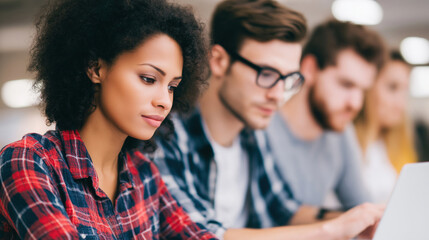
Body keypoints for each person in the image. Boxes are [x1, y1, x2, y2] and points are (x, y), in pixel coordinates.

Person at [145, 1, 384, 239]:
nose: (278, 95)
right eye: (267, 74)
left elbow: (285, 210)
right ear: (219, 61)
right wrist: (332, 230)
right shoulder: (165, 136)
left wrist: (365, 218)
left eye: (288, 78)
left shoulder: (252, 134)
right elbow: (203, 235)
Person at [0, 0, 217, 239]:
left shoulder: (144, 173)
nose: (165, 101)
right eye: (148, 78)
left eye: (173, 87)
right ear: (95, 68)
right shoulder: (28, 162)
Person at [265, 19, 387, 211]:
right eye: (346, 84)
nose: (356, 104)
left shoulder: (341, 130)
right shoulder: (263, 127)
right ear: (310, 69)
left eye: (362, 90)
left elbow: (361, 207)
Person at [354, 50, 417, 203]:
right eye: (392, 87)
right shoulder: (348, 144)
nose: (401, 103)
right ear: (367, 86)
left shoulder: (396, 146)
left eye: (404, 90)